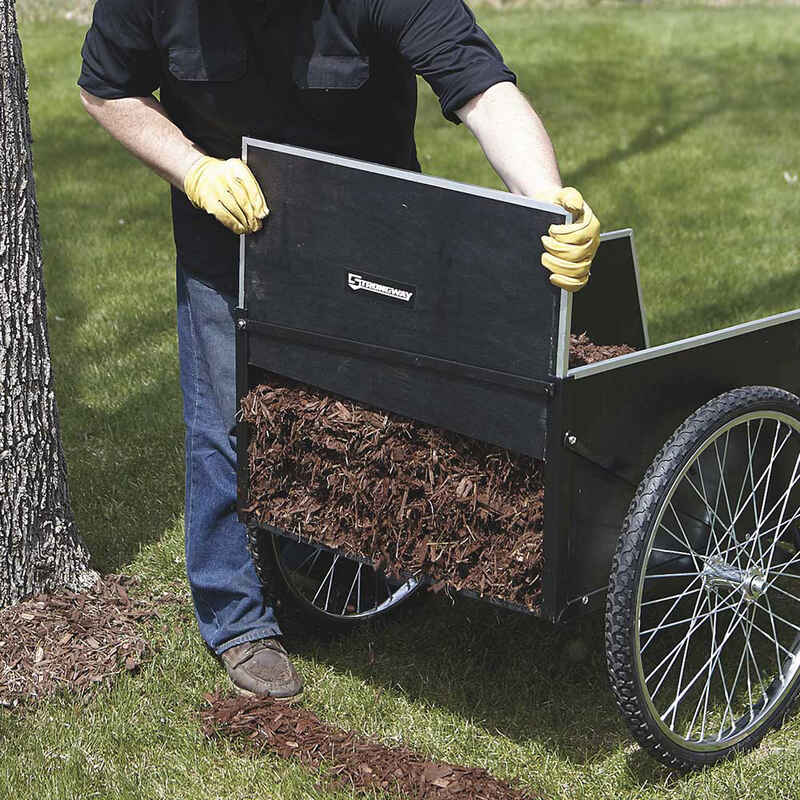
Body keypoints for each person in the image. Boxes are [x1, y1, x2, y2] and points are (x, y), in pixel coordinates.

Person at [78, 0, 600, 701]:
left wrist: (546, 201)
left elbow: (479, 86)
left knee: (376, 406)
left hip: (369, 228)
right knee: (222, 421)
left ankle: (356, 560)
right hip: (227, 233)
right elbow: (106, 87)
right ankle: (238, 620)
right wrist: (192, 169)